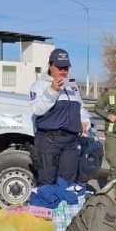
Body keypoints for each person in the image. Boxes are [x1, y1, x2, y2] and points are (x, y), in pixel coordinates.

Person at [29, 49, 91, 185]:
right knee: (47, 181)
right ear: (50, 66)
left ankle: (63, 206)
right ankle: (47, 206)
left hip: (71, 141)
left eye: (66, 67)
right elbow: (37, 109)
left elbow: (80, 107)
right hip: (49, 140)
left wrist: (85, 121)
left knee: (67, 181)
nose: (63, 71)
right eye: (59, 67)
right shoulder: (39, 85)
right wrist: (52, 91)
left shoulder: (72, 85)